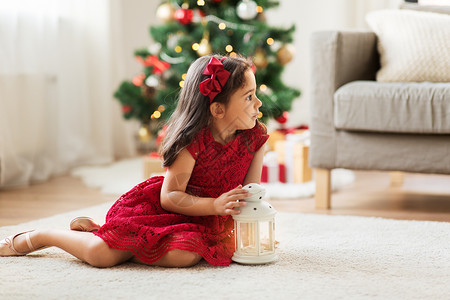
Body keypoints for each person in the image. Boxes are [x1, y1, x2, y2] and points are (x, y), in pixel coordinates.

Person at [0, 54, 268, 268]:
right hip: (168, 211)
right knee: (101, 257)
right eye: (248, 97)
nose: (258, 103)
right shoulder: (193, 141)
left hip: (209, 219)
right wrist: (214, 204)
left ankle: (108, 237)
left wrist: (253, 233)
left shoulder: (255, 139)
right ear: (218, 109)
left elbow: (251, 195)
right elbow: (171, 196)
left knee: (184, 256)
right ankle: (42, 236)